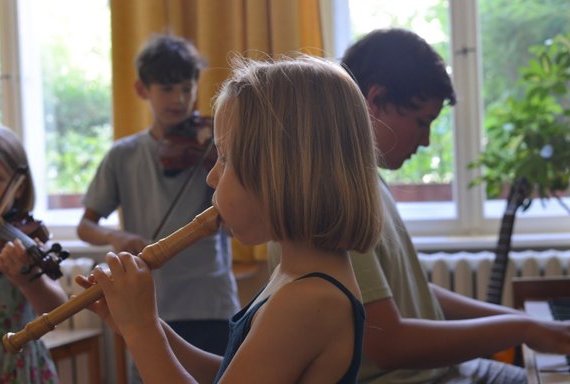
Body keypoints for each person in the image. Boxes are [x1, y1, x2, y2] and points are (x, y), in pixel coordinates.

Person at [267, 28, 570, 384]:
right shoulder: (332, 194)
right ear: (376, 101)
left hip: (445, 373)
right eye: (422, 122)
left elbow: (412, 294)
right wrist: (521, 328)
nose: (427, 140)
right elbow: (388, 344)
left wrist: (528, 322)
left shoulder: (364, 178)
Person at [76, 54, 382, 383]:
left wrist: (142, 330)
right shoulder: (296, 274)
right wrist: (141, 323)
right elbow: (228, 373)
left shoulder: (309, 299)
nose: (210, 177)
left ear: (278, 172)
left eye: (224, 158)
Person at [77, 33, 240, 373]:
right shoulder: (122, 155)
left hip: (211, 300)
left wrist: (222, 163)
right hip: (149, 303)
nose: (179, 99)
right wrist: (115, 238)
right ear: (142, 90)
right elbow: (85, 225)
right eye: (167, 89)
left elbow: (238, 221)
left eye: (186, 88)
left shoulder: (215, 148)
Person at [0, 125, 67, 383]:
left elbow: (56, 309)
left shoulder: (23, 242)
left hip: (16, 369)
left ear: (17, 188)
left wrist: (28, 280)